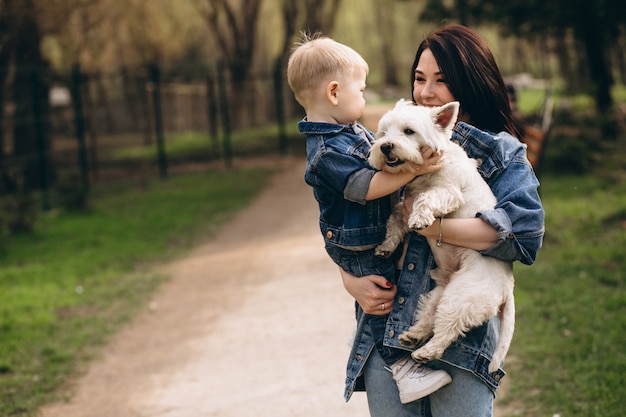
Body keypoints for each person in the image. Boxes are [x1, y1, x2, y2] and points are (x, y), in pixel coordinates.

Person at [339, 25, 545, 416]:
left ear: (470, 82)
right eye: (419, 79)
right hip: (387, 333)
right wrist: (349, 280)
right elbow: (352, 230)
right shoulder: (394, 143)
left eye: (442, 80)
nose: (426, 92)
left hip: (461, 338)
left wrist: (432, 226)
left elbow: (524, 235)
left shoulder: (500, 150)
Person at [286, 34, 452, 404]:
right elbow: (364, 185)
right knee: (386, 294)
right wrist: (413, 170)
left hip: (366, 233)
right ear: (333, 93)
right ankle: (402, 366)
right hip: (356, 241)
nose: (364, 98)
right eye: (360, 90)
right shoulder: (326, 151)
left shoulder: (346, 131)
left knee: (384, 292)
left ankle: (372, 332)